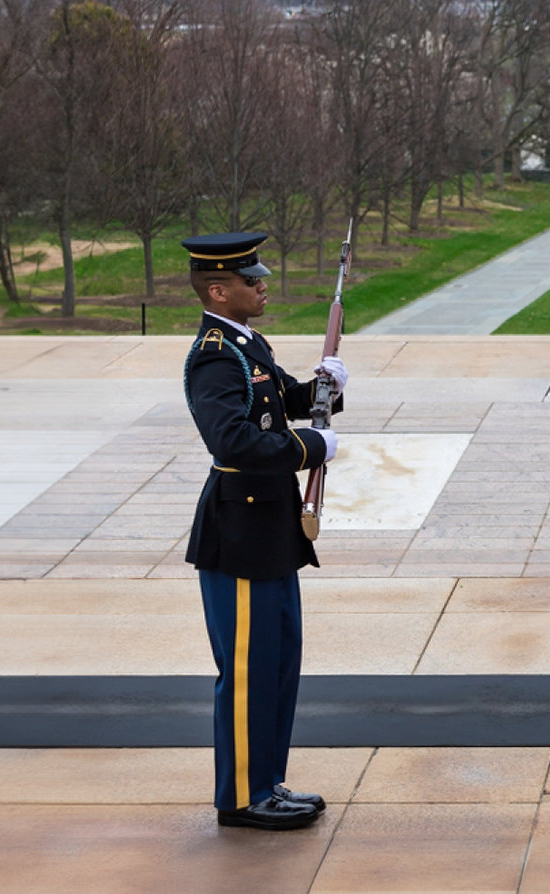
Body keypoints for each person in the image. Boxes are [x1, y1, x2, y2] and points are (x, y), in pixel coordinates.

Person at [181, 232, 347, 831]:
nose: (263, 285)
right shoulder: (213, 356)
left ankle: (267, 782)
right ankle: (245, 799)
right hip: (242, 534)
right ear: (219, 290)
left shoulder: (247, 344)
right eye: (252, 280)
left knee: (278, 666)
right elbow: (233, 441)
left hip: (271, 533)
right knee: (249, 673)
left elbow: (276, 405)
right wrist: (310, 448)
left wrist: (325, 389)